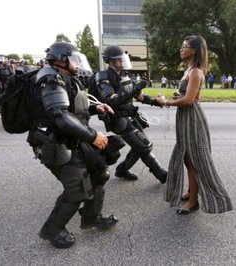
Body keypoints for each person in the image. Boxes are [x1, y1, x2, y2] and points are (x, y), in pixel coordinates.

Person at [26, 42, 122, 249]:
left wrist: (97, 107)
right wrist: (92, 135)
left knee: (99, 173)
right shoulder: (50, 79)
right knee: (77, 188)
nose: (78, 65)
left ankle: (91, 217)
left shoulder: (64, 77)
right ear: (61, 59)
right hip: (55, 142)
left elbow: (74, 108)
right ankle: (52, 229)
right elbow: (60, 116)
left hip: (71, 138)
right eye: (74, 60)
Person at [156, 35, 233, 214]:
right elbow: (190, 96)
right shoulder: (189, 70)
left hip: (192, 119)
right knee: (186, 157)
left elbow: (190, 100)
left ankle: (193, 201)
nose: (181, 49)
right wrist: (178, 96)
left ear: (195, 50)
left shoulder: (196, 72)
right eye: (182, 46)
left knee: (193, 160)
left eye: (185, 46)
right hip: (185, 118)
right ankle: (192, 192)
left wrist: (165, 101)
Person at [94, 45, 167, 184]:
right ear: (109, 61)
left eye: (122, 59)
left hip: (131, 116)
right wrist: (134, 90)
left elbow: (140, 96)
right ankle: (161, 174)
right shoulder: (103, 76)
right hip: (118, 119)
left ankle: (122, 170)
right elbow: (112, 101)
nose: (121, 62)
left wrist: (157, 102)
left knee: (138, 147)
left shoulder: (125, 75)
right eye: (118, 60)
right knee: (144, 147)